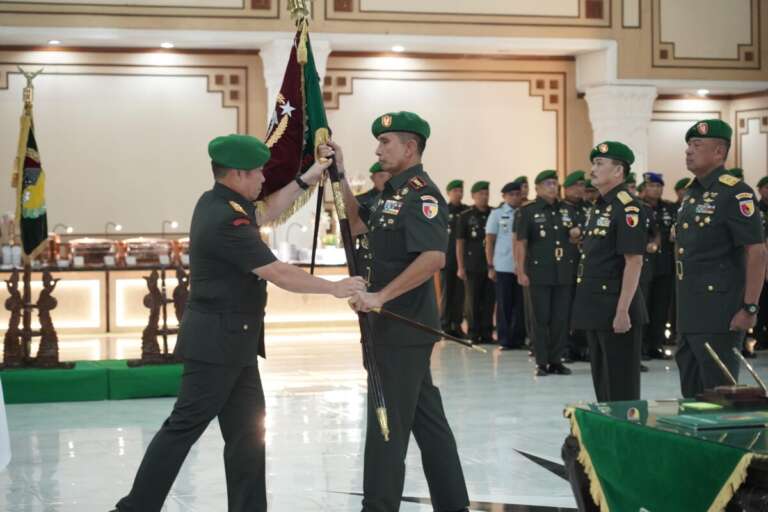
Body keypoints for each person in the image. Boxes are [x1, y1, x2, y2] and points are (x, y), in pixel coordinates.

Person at [113, 134, 366, 512]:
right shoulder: (226, 220)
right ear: (236, 174)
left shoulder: (217, 201)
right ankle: (134, 508)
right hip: (217, 343)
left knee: (248, 434)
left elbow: (266, 210)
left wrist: (311, 175)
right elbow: (277, 272)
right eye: (258, 172)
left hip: (236, 343)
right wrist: (334, 287)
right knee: (183, 428)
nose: (264, 178)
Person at [337, 111, 470, 512]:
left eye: (386, 142)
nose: (378, 149)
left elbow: (433, 258)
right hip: (391, 327)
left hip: (403, 326)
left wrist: (381, 296)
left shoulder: (422, 195)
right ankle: (453, 503)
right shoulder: (391, 194)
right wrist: (339, 175)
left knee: (386, 425)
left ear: (410, 147)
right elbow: (355, 222)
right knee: (427, 420)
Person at [675, 119, 766, 398]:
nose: (688, 151)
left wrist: (750, 307)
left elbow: (757, 251)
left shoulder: (736, 192)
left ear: (718, 152)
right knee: (691, 397)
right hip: (689, 309)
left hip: (720, 312)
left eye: (697, 145)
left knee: (719, 395)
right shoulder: (692, 192)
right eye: (689, 145)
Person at [572, 141, 648, 401]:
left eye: (599, 163)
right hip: (596, 307)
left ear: (618, 171)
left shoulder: (628, 207)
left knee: (620, 388)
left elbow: (634, 261)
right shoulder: (601, 205)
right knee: (603, 386)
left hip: (616, 307)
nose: (592, 169)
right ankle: (606, 428)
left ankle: (625, 429)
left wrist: (623, 310)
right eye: (593, 163)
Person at [515, 170, 578, 376]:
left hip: (564, 271)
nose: (553, 187)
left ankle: (556, 360)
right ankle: (541, 361)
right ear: (538, 188)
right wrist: (520, 270)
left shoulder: (568, 209)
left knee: (561, 318)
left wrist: (576, 235)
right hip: (538, 272)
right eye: (548, 183)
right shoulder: (528, 211)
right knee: (540, 318)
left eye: (555, 183)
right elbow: (521, 243)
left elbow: (576, 238)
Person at [485, 181, 526, 350]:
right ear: (504, 196)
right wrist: (490, 266)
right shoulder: (497, 214)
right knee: (504, 304)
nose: (515, 197)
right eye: (511, 195)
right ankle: (504, 339)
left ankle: (519, 338)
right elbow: (489, 241)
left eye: (517, 194)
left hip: (522, 266)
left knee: (521, 305)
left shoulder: (525, 212)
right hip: (503, 265)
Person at [642, 172, 676, 359]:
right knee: (643, 306)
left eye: (658, 186)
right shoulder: (638, 207)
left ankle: (655, 345)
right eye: (651, 186)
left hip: (664, 265)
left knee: (660, 308)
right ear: (644, 188)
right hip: (644, 265)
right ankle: (641, 346)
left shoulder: (669, 208)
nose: (655, 190)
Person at [456, 181, 495, 344]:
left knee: (489, 300)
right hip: (473, 264)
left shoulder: (494, 213)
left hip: (491, 265)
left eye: (486, 193)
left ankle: (487, 333)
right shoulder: (465, 216)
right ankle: (473, 332)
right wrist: (460, 266)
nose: (484, 197)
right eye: (481, 194)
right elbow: (460, 243)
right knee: (472, 300)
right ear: (473, 196)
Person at [441, 179, 469, 337]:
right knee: (447, 294)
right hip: (447, 259)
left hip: (462, 261)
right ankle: (445, 325)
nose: (459, 193)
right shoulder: (443, 211)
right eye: (455, 191)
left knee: (460, 295)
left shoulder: (466, 211)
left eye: (460, 190)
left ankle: (457, 325)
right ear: (448, 193)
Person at [355, 163, 392, 278]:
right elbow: (353, 231)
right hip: (367, 258)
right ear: (372, 178)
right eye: (381, 176)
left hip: (392, 259)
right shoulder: (360, 201)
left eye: (389, 176)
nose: (385, 180)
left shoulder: (398, 198)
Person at [755, 176, 768, 350]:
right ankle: (759, 337)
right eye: (766, 188)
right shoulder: (755, 209)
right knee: (760, 300)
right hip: (760, 260)